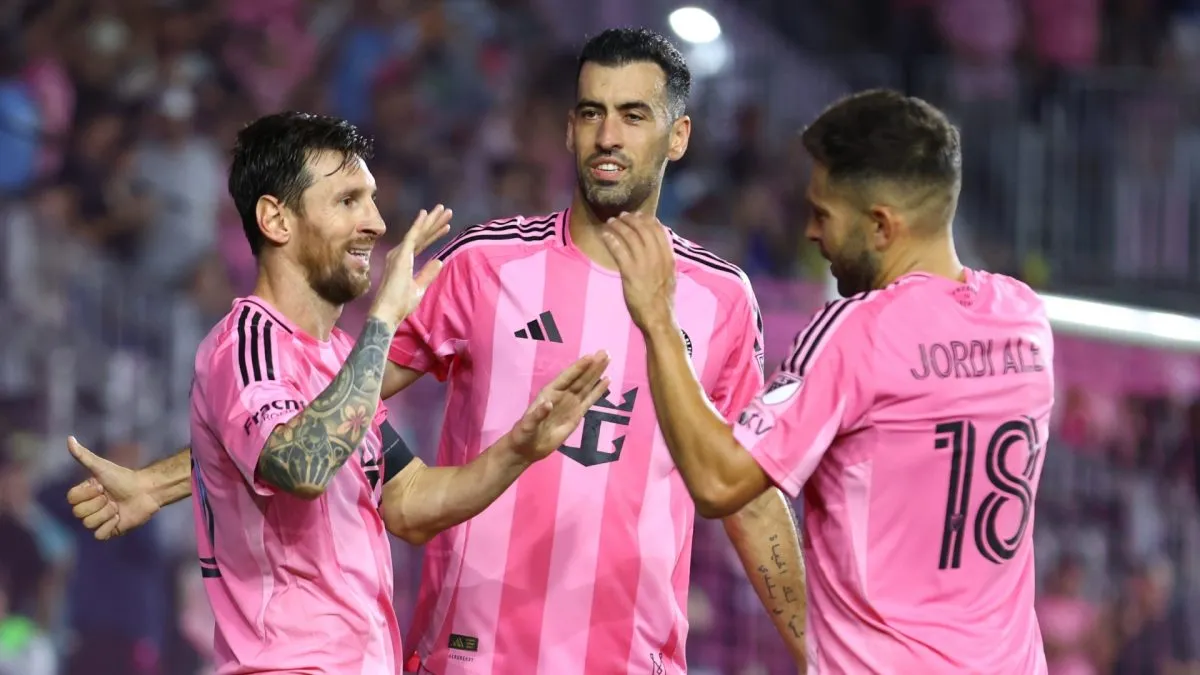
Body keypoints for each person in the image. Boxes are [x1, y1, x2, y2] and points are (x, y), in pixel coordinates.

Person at [65, 29, 809, 673]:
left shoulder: (722, 299)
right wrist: (164, 481)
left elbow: (746, 492)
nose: (608, 136)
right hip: (468, 652)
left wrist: (819, 651)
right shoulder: (484, 266)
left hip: (632, 656)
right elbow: (331, 407)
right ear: (569, 128)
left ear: (677, 136)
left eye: (633, 115)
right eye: (591, 113)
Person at [67, 111, 611, 674]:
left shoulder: (333, 363)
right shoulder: (246, 344)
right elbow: (300, 466)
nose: (376, 222)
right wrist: (383, 321)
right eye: (348, 200)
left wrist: (520, 448)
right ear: (276, 219)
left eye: (372, 200)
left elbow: (410, 500)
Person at [600, 89, 1054, 673]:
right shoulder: (1023, 319)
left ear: (882, 226)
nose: (812, 234)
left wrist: (659, 317)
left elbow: (717, 482)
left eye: (823, 214)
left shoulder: (857, 332)